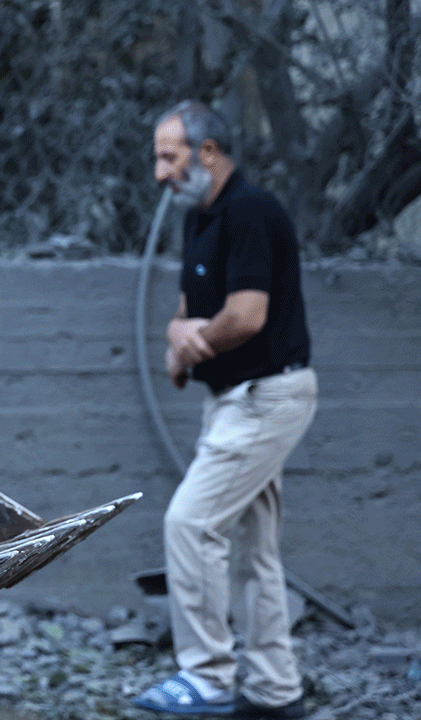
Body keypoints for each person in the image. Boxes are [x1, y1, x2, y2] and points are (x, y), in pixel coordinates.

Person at [132, 101, 317, 720]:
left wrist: (192, 344)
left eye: (169, 157)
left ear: (207, 152)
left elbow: (246, 316)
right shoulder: (200, 218)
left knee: (191, 524)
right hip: (234, 401)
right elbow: (191, 308)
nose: (159, 172)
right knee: (255, 552)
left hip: (266, 399)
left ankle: (208, 677)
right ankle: (275, 691)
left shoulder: (251, 211)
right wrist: (177, 337)